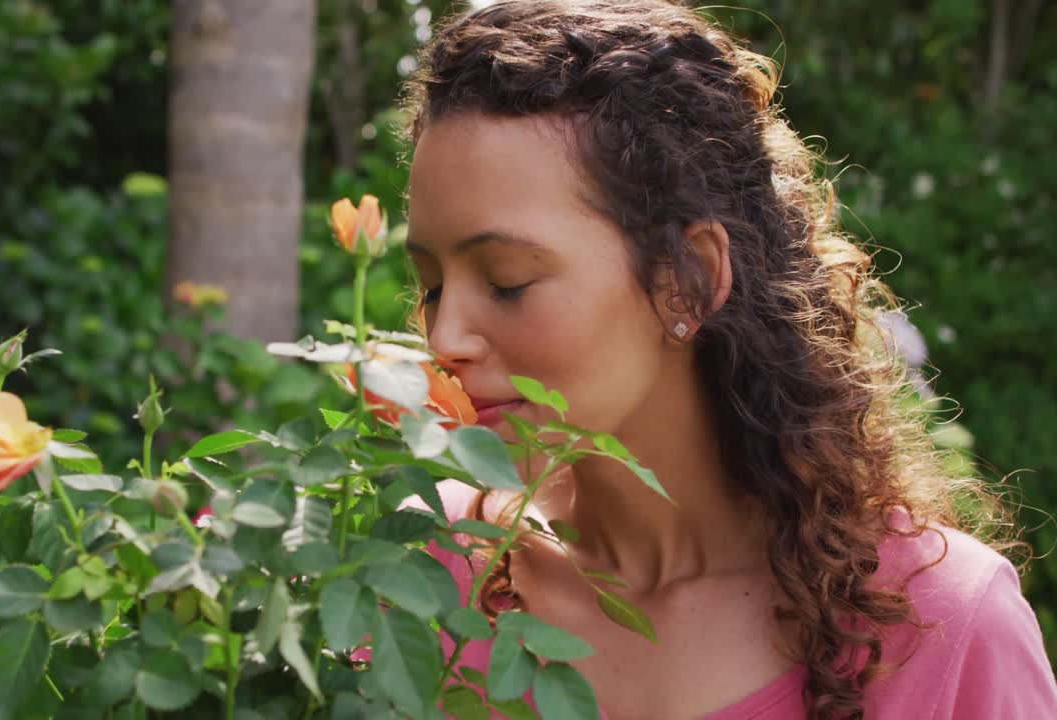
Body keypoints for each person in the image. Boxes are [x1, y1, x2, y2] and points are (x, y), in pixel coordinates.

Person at [395, 1, 1057, 718]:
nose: (444, 339)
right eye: (432, 285)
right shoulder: (427, 569)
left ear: (689, 279)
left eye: (507, 281)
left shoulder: (941, 626)